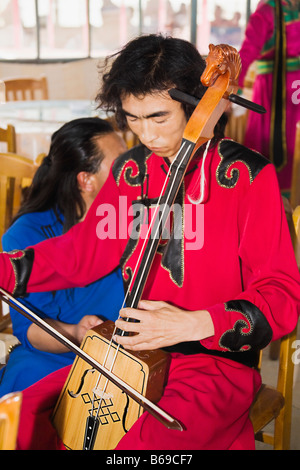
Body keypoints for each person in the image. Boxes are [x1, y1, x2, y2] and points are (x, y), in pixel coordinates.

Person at [0, 34, 299, 451]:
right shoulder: (130, 172)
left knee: (141, 448)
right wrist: (7, 268)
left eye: (159, 117)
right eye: (133, 119)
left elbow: (281, 297)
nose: (147, 135)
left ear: (196, 105)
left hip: (213, 364)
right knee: (24, 420)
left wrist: (194, 322)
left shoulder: (248, 177)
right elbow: (81, 253)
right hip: (129, 354)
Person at [0, 117, 127, 395]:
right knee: (25, 389)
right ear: (86, 180)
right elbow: (29, 329)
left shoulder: (129, 219)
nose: (133, 171)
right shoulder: (26, 235)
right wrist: (76, 332)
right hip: (54, 354)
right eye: (121, 164)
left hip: (124, 354)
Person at [238, 0, 300, 195]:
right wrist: (235, 86)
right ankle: (267, 199)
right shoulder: (267, 11)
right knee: (266, 144)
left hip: (296, 89)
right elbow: (248, 51)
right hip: (271, 89)